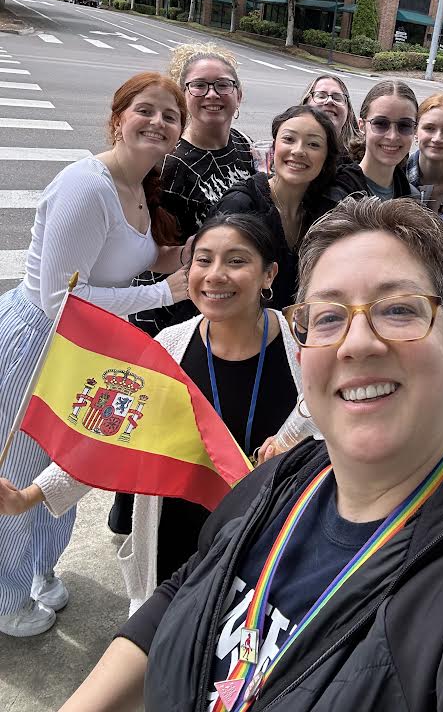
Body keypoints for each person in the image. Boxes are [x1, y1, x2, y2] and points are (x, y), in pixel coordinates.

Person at [59, 198, 443, 712]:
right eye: (329, 317)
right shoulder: (288, 477)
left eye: (399, 310)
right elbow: (185, 591)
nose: (358, 342)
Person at [0, 214, 302, 615]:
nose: (215, 275)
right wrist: (28, 497)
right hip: (176, 545)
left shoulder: (306, 355)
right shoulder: (169, 346)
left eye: (236, 261)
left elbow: (337, 444)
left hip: (267, 546)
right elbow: (110, 434)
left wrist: (296, 449)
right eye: (203, 260)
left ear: (269, 274)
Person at [0, 73, 191, 638]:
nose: (157, 122)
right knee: (16, 472)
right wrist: (164, 293)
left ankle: (40, 569)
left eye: (169, 116)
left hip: (85, 352)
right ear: (117, 118)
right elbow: (59, 298)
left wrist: (194, 257)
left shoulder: (138, 187)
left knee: (66, 465)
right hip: (39, 344)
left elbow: (133, 254)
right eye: (145, 110)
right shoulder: (86, 185)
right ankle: (7, 598)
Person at [131, 44, 256, 338]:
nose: (212, 94)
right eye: (199, 86)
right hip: (174, 315)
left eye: (223, 85)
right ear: (183, 97)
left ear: (238, 95)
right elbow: (148, 256)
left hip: (227, 304)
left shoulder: (243, 145)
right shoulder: (167, 166)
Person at [212, 105, 340, 308]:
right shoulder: (240, 206)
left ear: (326, 159)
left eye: (313, 144)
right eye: (289, 139)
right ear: (274, 148)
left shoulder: (322, 213)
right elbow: (214, 284)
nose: (298, 151)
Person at [352, 80, 420, 200]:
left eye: (404, 125)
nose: (392, 136)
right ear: (362, 126)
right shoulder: (337, 194)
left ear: (415, 129)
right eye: (380, 123)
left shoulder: (413, 197)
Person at [300, 73, 361, 154]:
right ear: (305, 105)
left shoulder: (362, 156)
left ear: (348, 112)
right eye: (321, 96)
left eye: (337, 98)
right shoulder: (290, 147)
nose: (330, 101)